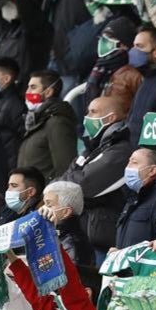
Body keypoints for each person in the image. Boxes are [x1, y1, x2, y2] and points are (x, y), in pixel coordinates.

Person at [60, 96, 135, 254]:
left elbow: (81, 185)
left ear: (111, 118)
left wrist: (70, 176)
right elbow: (68, 177)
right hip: (91, 230)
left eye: (93, 112)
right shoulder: (96, 147)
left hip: (107, 235)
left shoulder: (120, 150)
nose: (87, 117)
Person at [17, 71, 77, 181]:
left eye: (33, 87)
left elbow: (65, 167)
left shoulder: (57, 122)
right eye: (28, 87)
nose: (27, 92)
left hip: (47, 194)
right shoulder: (37, 120)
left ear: (48, 92)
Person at [114, 148, 156, 248]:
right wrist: (118, 252)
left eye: (134, 162)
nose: (128, 167)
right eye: (128, 162)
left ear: (152, 170)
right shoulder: (133, 195)